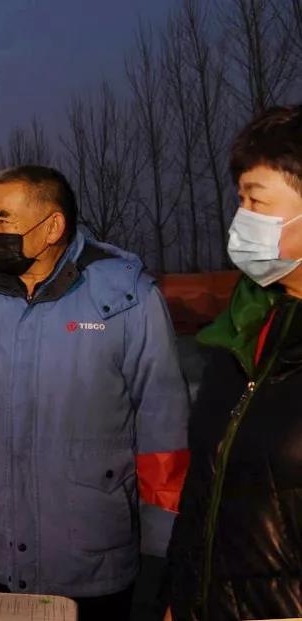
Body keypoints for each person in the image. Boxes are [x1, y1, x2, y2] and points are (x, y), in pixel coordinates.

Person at [0, 165, 190, 620]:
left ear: (52, 227)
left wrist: (163, 535)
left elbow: (163, 418)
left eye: (4, 219)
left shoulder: (127, 298)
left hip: (91, 546)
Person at [167, 104, 302, 621]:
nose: (242, 218)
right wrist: (179, 599)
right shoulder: (242, 329)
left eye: (256, 200)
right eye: (239, 200)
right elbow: (206, 485)